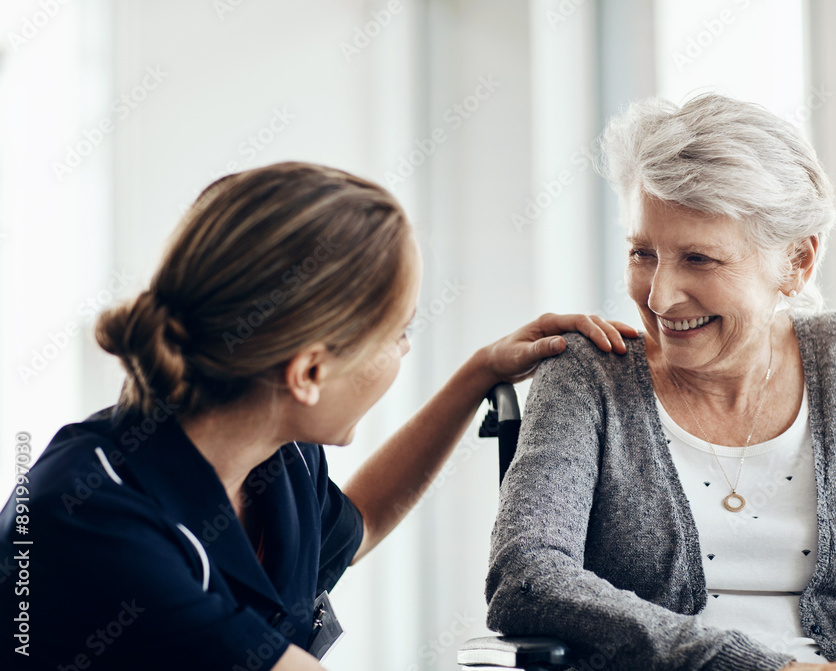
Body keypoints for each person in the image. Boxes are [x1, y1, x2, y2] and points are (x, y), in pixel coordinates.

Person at [0, 162, 638, 671]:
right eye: (399, 333)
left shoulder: (276, 452)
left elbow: (358, 526)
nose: (405, 352)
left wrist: (479, 375)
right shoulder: (91, 518)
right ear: (307, 373)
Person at [485, 94, 836, 671]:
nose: (658, 297)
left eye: (700, 259)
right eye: (643, 253)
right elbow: (526, 575)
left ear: (797, 262)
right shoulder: (587, 375)